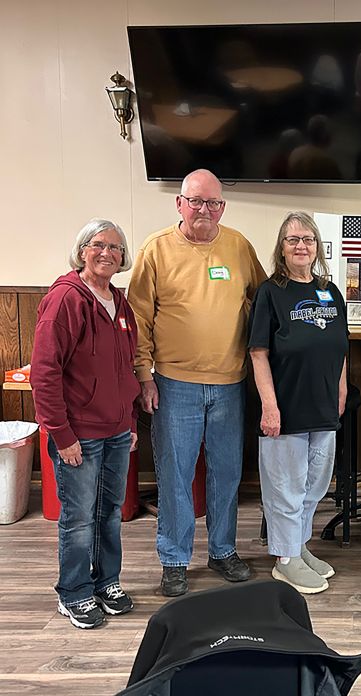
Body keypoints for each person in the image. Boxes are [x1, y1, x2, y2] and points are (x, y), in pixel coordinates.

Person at [127, 169, 267, 597]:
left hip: (230, 382)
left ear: (222, 206)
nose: (205, 209)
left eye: (213, 202)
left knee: (227, 473)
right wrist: (144, 376)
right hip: (174, 383)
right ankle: (174, 559)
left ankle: (223, 551)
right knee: (175, 476)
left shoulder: (239, 246)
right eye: (196, 201)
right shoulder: (156, 249)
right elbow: (138, 319)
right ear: (180, 204)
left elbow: (263, 300)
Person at [30, 219, 141, 629]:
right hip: (78, 435)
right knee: (78, 518)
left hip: (116, 431)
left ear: (123, 257)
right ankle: (74, 592)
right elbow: (44, 373)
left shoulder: (119, 302)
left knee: (110, 512)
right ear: (82, 251)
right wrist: (61, 435)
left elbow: (125, 368)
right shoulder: (65, 299)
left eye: (115, 247)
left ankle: (106, 582)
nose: (107, 253)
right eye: (98, 245)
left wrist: (129, 420)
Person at [248, 212, 348, 594]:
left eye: (308, 239)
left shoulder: (330, 291)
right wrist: (269, 407)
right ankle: (285, 559)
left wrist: (341, 389)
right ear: (282, 248)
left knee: (313, 486)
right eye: (293, 240)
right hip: (286, 408)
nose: (301, 246)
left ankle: (299, 546)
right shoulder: (270, 292)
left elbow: (341, 346)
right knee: (285, 489)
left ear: (317, 246)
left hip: (323, 407)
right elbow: (258, 352)